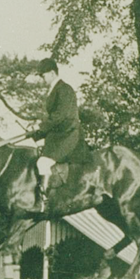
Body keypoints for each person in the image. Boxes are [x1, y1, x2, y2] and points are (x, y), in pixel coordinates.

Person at [28, 58, 87, 203]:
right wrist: (37, 133)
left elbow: (60, 115)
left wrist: (40, 127)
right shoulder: (56, 89)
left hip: (68, 135)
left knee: (43, 163)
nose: (42, 79)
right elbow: (54, 118)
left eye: (43, 76)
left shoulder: (64, 89)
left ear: (52, 73)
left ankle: (43, 201)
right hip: (58, 135)